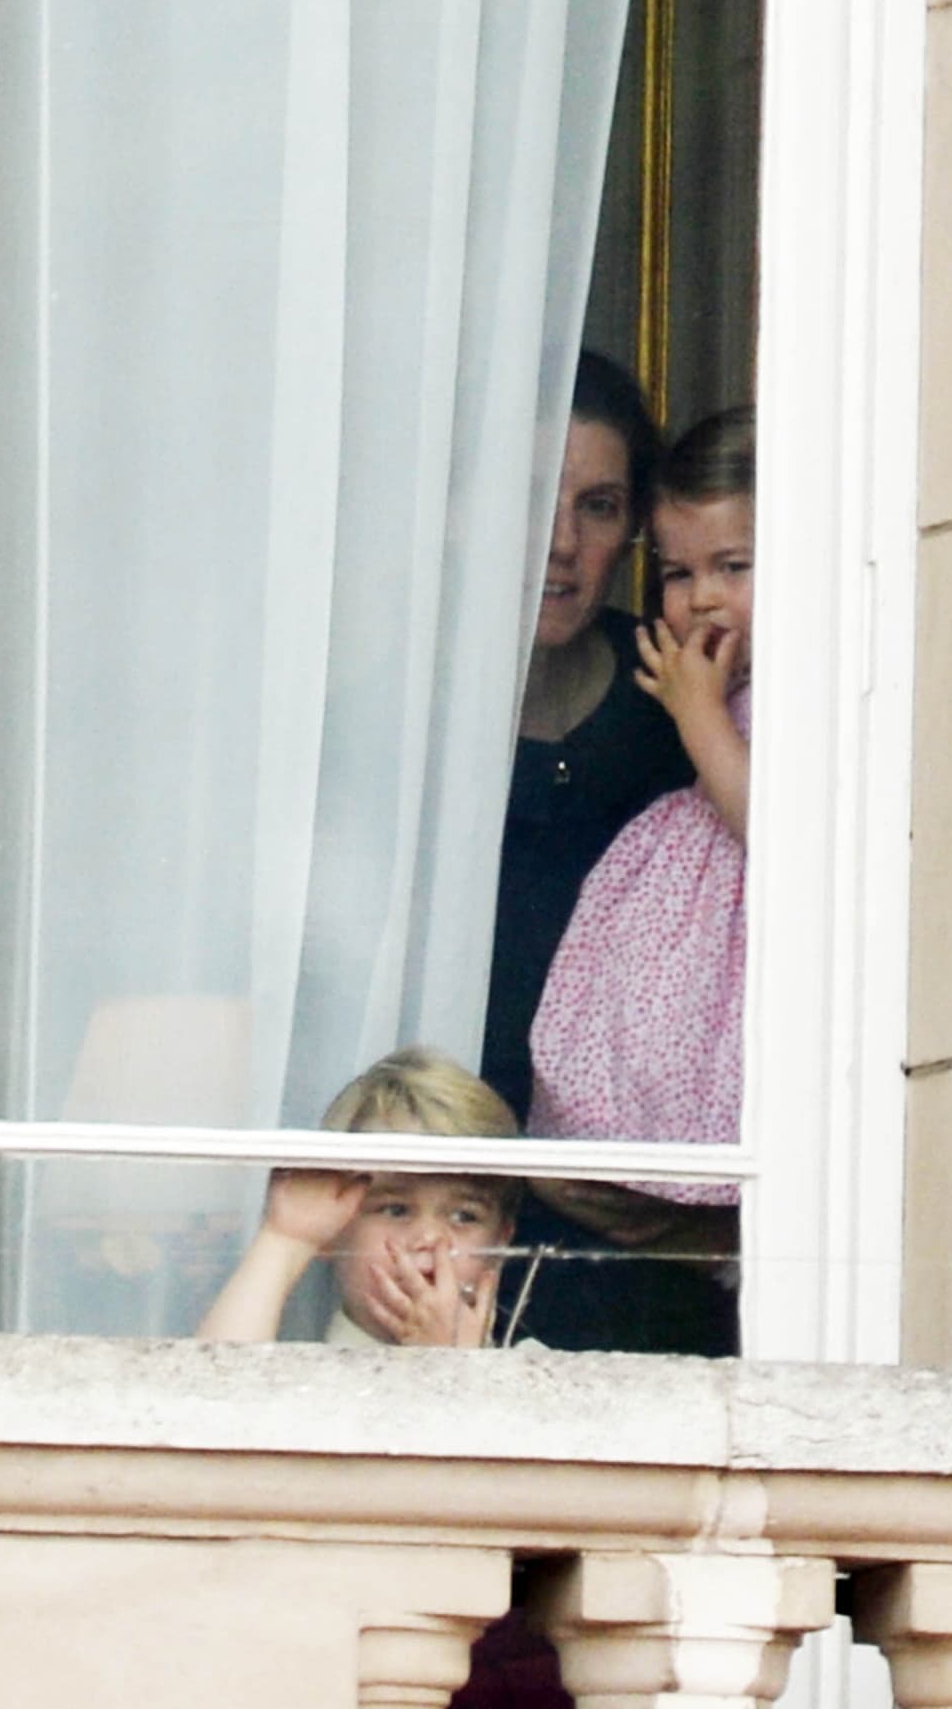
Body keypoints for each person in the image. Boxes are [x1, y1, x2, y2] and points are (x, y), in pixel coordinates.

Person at [527, 407, 755, 1291]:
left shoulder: (806, 685)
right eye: (678, 572)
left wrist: (697, 713)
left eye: (732, 568)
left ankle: (718, 1230)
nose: (700, 597)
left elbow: (779, 830)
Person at [481, 350, 694, 1122]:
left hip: (633, 1176)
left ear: (638, 527)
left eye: (598, 506)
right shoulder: (408, 722)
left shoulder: (680, 697)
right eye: (533, 496)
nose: (562, 541)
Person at [198, 1047, 523, 1347]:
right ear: (334, 1230)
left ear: (501, 1241)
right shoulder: (300, 1378)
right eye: (395, 1210)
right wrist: (286, 1238)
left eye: (464, 1216)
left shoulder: (545, 1373)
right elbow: (214, 1397)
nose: (429, 1238)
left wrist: (453, 1369)